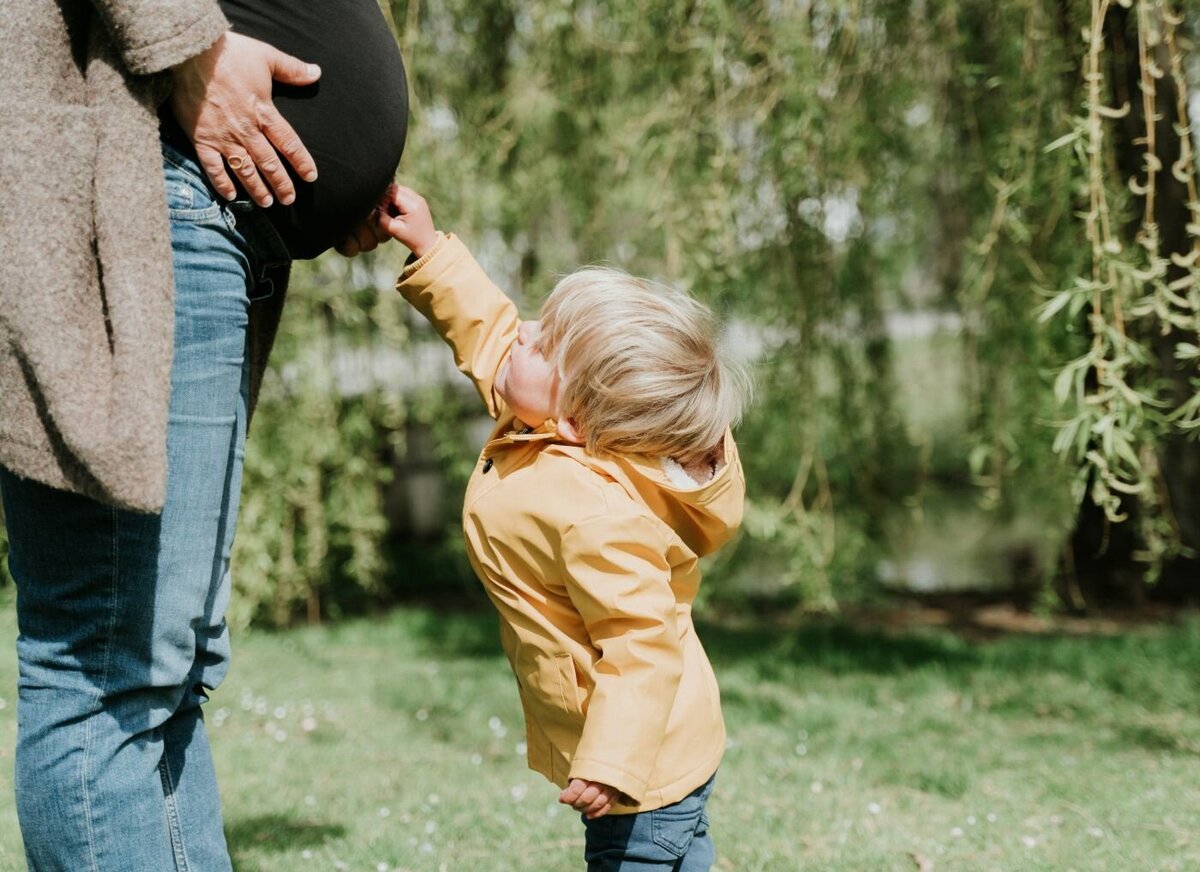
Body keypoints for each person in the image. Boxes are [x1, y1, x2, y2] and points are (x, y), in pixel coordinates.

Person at [0, 1, 405, 868]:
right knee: (108, 669)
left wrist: (338, 186)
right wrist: (188, 47)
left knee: (169, 672)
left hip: (214, 213)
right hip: (142, 189)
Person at [379, 185, 749, 871]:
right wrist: (431, 250)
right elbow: (490, 332)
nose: (522, 332)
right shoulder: (546, 419)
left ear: (578, 419)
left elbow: (641, 641)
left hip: (643, 777)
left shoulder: (598, 514)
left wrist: (613, 763)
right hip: (667, 751)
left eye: (544, 342)